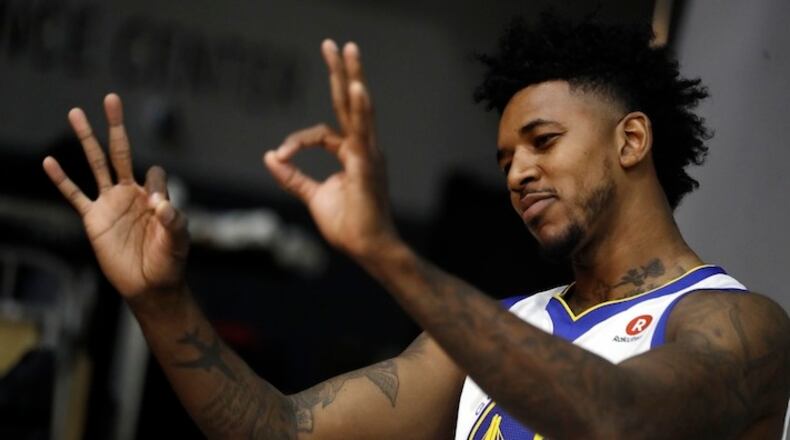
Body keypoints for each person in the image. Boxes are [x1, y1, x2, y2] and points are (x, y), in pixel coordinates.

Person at [43, 15, 789, 439]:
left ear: (630, 141)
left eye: (543, 142)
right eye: (504, 160)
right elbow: (277, 432)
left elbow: (616, 419)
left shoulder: (738, 324)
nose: (517, 173)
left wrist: (386, 253)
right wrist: (161, 300)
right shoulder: (488, 335)